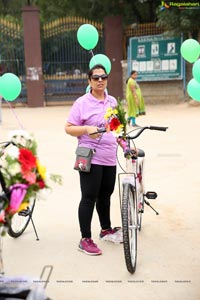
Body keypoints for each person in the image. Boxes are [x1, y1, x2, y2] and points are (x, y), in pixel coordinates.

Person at [65, 64, 123, 256]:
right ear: (89, 81)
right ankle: (85, 239)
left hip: (109, 156)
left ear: (107, 79)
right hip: (89, 156)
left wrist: (125, 146)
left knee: (105, 194)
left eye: (103, 77)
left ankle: (105, 230)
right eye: (96, 77)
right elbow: (68, 127)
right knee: (89, 197)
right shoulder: (82, 102)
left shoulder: (112, 101)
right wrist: (85, 129)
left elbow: (116, 127)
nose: (100, 80)